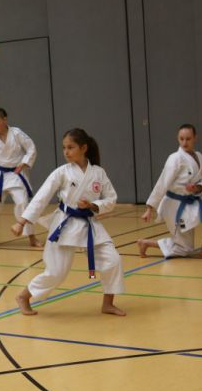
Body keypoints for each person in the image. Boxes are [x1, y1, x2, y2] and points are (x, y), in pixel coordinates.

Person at [11, 128, 125, 316]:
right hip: (64, 224)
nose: (66, 152)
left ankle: (108, 303)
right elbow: (41, 197)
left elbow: (111, 199)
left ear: (84, 148)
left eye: (70, 147)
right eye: (64, 148)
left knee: (113, 260)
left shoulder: (98, 173)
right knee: (56, 272)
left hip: (89, 223)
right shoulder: (61, 172)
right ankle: (24, 296)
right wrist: (22, 222)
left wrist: (94, 205)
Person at [138, 124, 202, 259]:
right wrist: (150, 207)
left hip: (192, 201)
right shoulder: (175, 158)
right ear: (178, 138)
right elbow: (162, 183)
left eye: (188, 139)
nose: (184, 142)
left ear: (195, 138)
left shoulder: (198, 156)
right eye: (181, 139)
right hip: (175, 206)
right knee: (184, 249)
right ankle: (146, 243)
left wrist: (197, 187)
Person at [0, 108, 42, 248]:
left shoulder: (17, 134)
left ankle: (31, 237)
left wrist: (24, 162)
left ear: (5, 119)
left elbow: (31, 148)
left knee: (22, 203)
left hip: (16, 175)